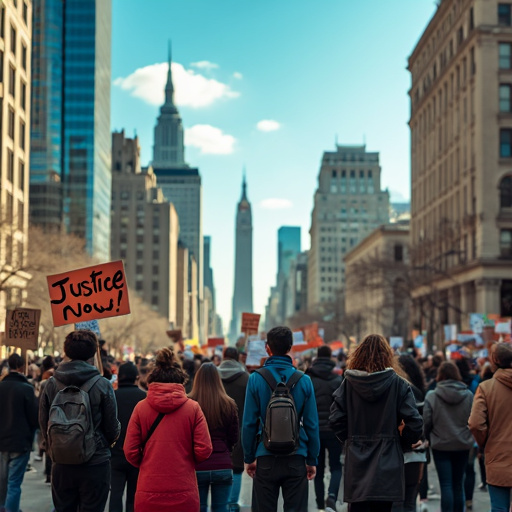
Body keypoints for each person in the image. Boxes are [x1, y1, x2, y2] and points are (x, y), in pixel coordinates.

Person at [329, 334, 423, 512]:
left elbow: (335, 419)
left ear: (358, 355)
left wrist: (350, 440)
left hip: (357, 461)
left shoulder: (348, 384)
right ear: (387, 356)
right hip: (388, 462)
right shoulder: (398, 384)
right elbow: (415, 423)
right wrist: (401, 443)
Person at [39, 330, 121, 512]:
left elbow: (43, 423)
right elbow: (112, 427)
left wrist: (54, 446)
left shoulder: (51, 384)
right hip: (95, 462)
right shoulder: (102, 384)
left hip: (61, 462)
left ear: (66, 352)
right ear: (93, 353)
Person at [124, 347, 212, 511]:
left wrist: (147, 462)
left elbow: (130, 450)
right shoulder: (193, 409)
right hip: (184, 491)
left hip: (149, 489)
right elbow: (204, 449)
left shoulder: (141, 408)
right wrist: (185, 461)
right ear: (181, 381)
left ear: (152, 380)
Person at [242, 326, 320, 512]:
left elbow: (248, 424)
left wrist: (249, 457)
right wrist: (312, 459)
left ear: (267, 348)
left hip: (265, 456)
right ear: (290, 347)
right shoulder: (304, 380)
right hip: (296, 456)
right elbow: (312, 424)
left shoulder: (255, 379)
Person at [423, 361, 474, 512]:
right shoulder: (468, 395)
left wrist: (427, 437)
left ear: (440, 375)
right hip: (462, 444)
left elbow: (426, 420)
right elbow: (474, 420)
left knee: (446, 484)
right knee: (458, 484)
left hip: (441, 444)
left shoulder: (432, 396)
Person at [189, 362, 239, 512]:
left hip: (197, 464)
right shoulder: (228, 404)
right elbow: (234, 437)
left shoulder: (189, 403)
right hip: (222, 464)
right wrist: (226, 450)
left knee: (199, 508)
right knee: (221, 508)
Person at [469, 343, 512, 512]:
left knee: (499, 507)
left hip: (497, 455)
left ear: (494, 360)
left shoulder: (486, 388)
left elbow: (475, 424)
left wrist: (484, 443)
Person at [0, 353, 38, 512]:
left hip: (2, 443)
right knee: (14, 483)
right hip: (20, 442)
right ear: (22, 367)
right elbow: (34, 418)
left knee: (3, 482)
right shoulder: (27, 389)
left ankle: (4, 507)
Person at [307, 345, 343, 512]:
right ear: (330, 358)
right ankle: (332, 496)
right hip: (334, 430)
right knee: (336, 466)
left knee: (318, 469)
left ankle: (320, 506)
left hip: (314, 431)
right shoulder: (337, 380)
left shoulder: (309, 379)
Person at [110, 362, 147, 512]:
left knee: (115, 493)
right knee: (134, 495)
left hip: (115, 453)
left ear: (119, 378)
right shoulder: (144, 397)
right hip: (138, 454)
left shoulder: (112, 396)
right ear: (136, 378)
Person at [218, 347, 249, 512]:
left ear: (223, 357)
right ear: (237, 358)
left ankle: (219, 504)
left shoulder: (213, 378)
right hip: (239, 428)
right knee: (236, 468)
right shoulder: (246, 378)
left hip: (214, 428)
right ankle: (232, 504)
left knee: (216, 466)